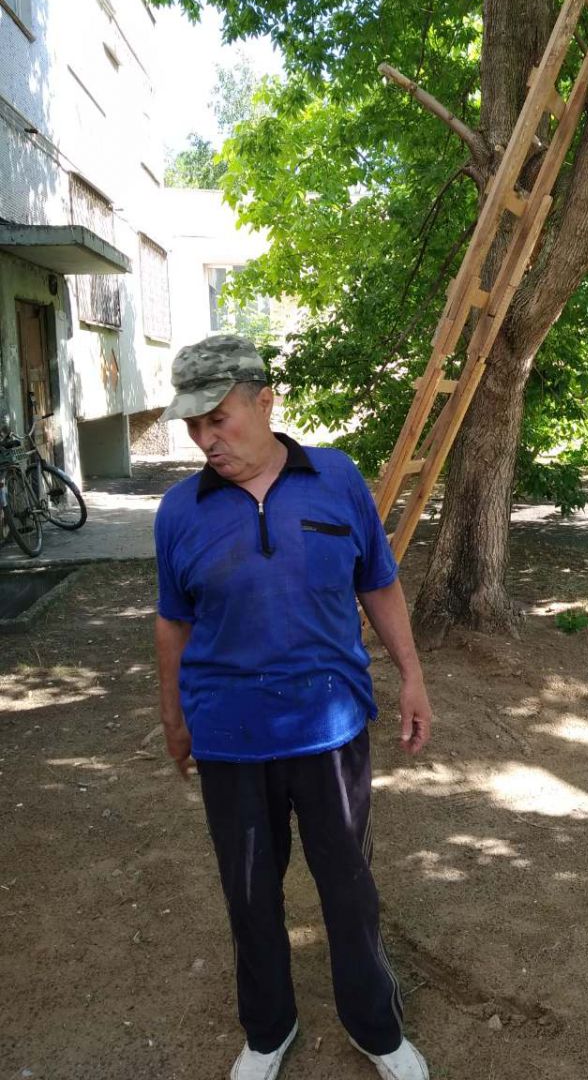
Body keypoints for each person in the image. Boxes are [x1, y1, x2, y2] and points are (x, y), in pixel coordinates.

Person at [153, 335, 432, 1080]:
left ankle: (376, 1027)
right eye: (193, 425)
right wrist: (175, 721)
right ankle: (268, 1028)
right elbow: (173, 622)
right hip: (229, 735)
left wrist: (411, 675)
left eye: (218, 419)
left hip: (330, 727)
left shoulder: (336, 479)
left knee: (349, 886)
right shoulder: (179, 511)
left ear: (265, 401)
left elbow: (377, 581)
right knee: (249, 893)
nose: (206, 439)